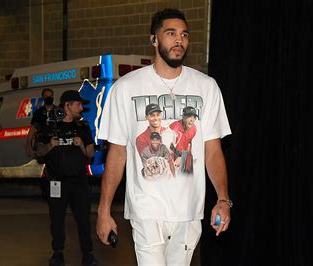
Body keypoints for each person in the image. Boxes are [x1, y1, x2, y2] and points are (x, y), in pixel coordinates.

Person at [96, 8, 232, 265]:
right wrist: (104, 209)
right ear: (154, 40)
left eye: (184, 35)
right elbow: (117, 153)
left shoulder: (206, 87)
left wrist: (223, 199)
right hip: (146, 208)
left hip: (189, 209)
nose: (179, 40)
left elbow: (213, 150)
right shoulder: (125, 88)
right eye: (171, 34)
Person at [34, 90, 98, 266]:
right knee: (57, 219)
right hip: (57, 182)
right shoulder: (49, 128)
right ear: (67, 105)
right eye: (78, 104)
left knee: (84, 219)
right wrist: (50, 145)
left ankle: (88, 255)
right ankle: (57, 254)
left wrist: (82, 146)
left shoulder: (82, 128)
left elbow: (90, 153)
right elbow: (38, 152)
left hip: (79, 181)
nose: (81, 108)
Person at [25, 88, 55, 157]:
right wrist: (28, 145)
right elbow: (32, 129)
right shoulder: (38, 113)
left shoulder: (58, 111)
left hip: (55, 141)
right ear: (43, 98)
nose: (49, 98)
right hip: (43, 142)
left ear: (53, 97)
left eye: (50, 96)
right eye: (46, 96)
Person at [169, 106, 198, 174]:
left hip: (185, 156)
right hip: (173, 158)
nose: (192, 119)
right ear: (183, 117)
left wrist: (188, 160)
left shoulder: (194, 129)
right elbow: (168, 146)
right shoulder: (174, 127)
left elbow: (189, 144)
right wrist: (179, 157)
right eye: (189, 116)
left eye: (194, 117)